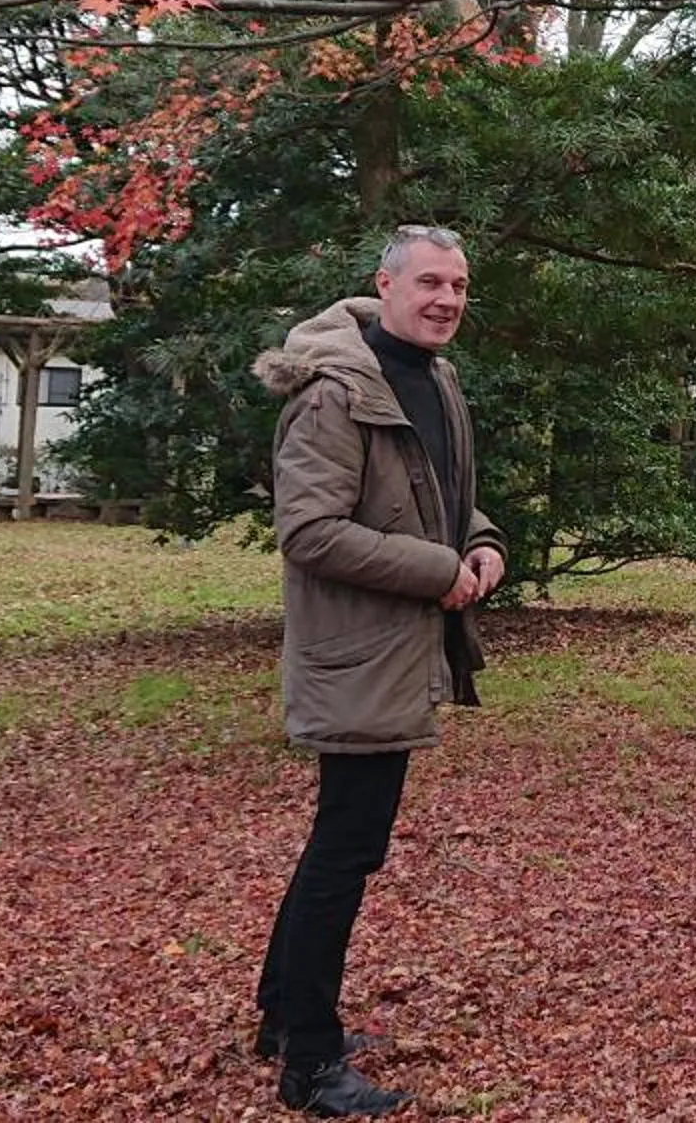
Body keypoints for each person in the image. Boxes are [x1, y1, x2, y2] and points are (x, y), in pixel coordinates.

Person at [248, 224, 505, 1117]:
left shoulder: (433, 379)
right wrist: (440, 571)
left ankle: (283, 1017)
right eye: (431, 283)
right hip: (356, 654)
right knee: (346, 850)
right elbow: (309, 531)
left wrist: (480, 539)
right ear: (384, 285)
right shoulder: (333, 394)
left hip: (397, 653)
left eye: (461, 286)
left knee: (340, 842)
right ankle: (310, 1064)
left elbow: (447, 493)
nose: (448, 301)